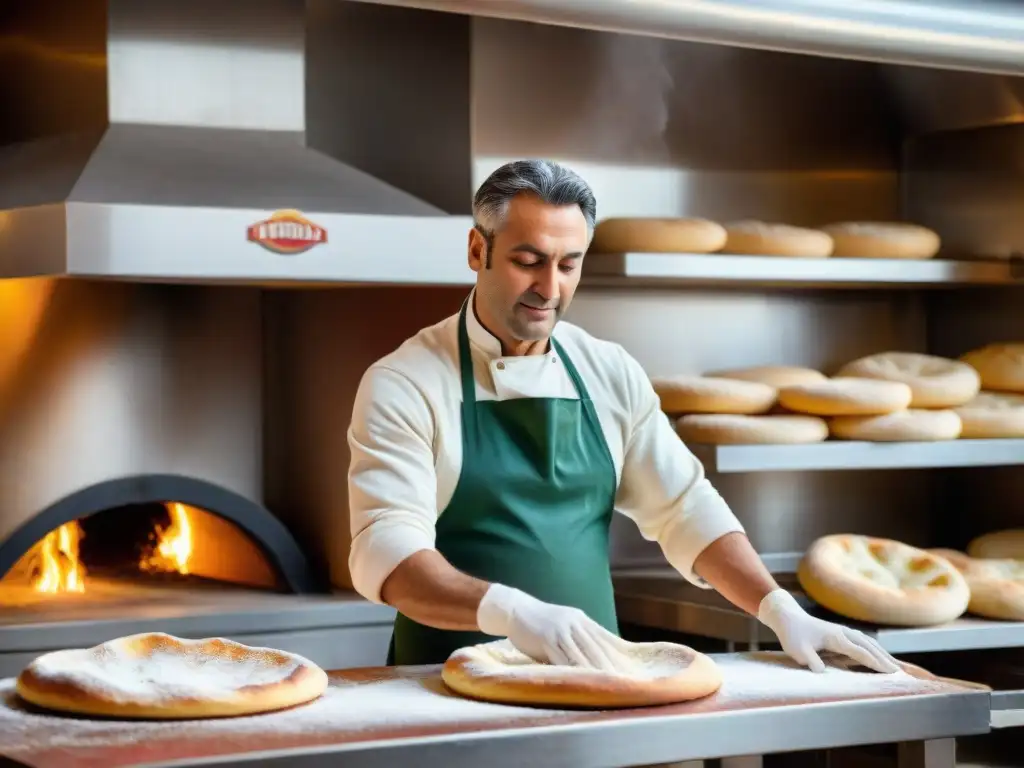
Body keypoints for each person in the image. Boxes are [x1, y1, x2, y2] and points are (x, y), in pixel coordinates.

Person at [347, 158, 899, 675]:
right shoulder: (406, 382)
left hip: (597, 682)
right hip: (445, 688)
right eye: (528, 261)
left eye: (569, 265)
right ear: (477, 250)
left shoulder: (607, 370)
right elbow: (386, 552)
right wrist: (511, 612)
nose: (550, 288)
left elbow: (685, 508)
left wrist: (779, 610)